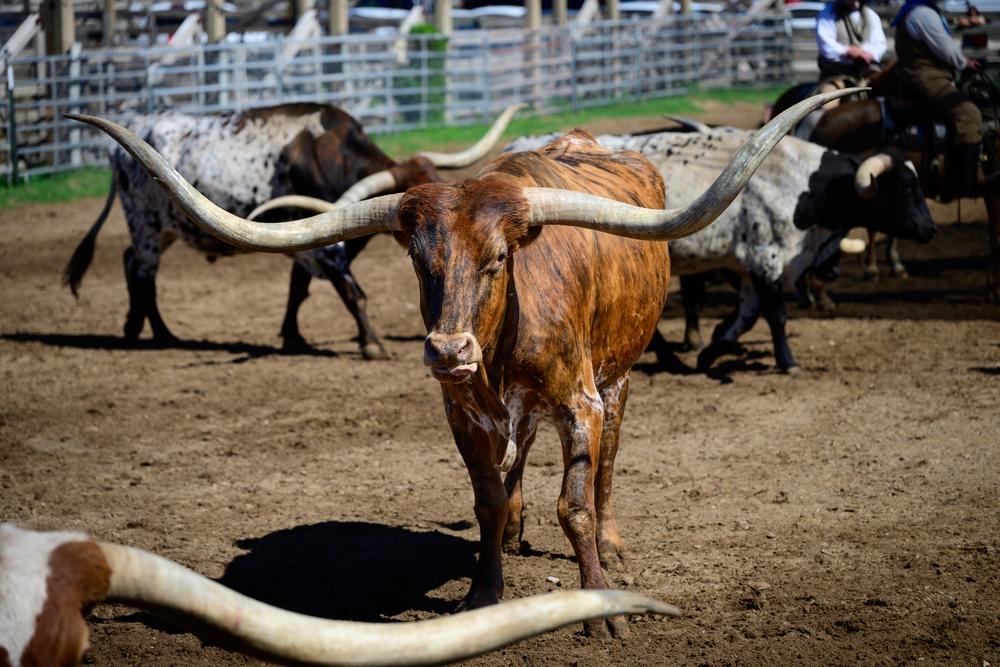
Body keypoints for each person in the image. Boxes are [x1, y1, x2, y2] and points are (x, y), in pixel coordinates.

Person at [892, 0, 984, 200]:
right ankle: (967, 182)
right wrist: (964, 62)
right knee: (969, 114)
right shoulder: (924, 14)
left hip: (919, 76)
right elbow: (946, 48)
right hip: (927, 79)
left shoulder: (914, 10)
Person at [815, 0, 887, 82]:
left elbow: (880, 44)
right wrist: (848, 52)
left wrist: (862, 51)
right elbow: (826, 45)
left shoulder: (871, 15)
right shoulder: (829, 12)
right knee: (829, 89)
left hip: (866, 73)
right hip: (835, 75)